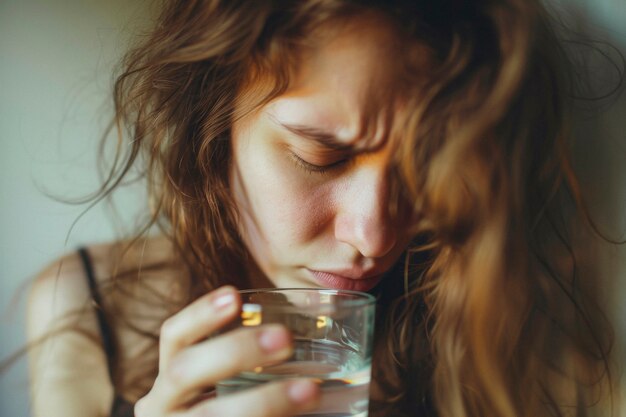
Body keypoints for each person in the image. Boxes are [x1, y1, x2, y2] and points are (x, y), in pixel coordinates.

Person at [26, 1, 619, 416]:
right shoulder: (85, 304)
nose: (375, 236)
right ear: (211, 123)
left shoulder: (498, 308)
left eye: (429, 169)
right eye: (320, 157)